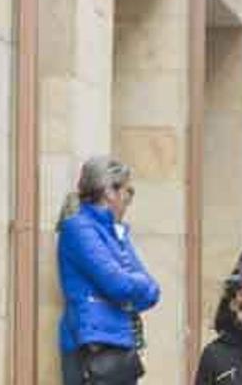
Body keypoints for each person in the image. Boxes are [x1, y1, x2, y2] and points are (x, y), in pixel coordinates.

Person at [57, 156, 160, 385]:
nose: (129, 199)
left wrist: (131, 288)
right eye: (128, 191)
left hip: (120, 345)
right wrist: (132, 288)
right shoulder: (79, 228)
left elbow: (153, 292)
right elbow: (118, 284)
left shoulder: (117, 232)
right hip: (93, 345)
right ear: (108, 191)